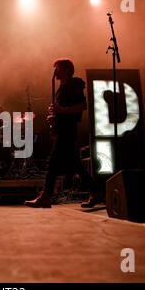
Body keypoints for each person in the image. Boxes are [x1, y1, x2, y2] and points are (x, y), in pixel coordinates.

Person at [25, 59, 100, 208]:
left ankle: (46, 196)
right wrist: (54, 118)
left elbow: (82, 106)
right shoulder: (62, 88)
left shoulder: (74, 84)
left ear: (66, 69)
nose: (55, 72)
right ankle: (96, 191)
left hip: (68, 129)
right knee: (75, 163)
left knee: (53, 162)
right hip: (63, 129)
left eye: (57, 68)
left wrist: (61, 111)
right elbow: (62, 109)